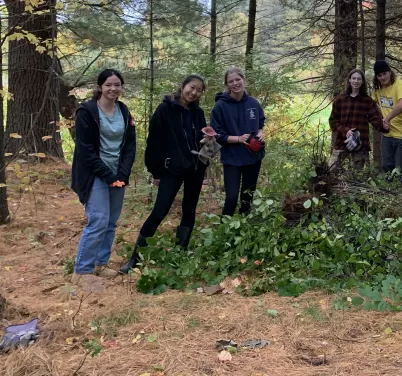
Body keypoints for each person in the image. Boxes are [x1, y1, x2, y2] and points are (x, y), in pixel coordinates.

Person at [120, 74, 211, 274]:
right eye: (191, 87)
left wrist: (206, 141)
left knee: (189, 210)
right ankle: (135, 258)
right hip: (172, 169)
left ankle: (180, 253)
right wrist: (155, 170)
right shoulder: (164, 110)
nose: (194, 92)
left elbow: (200, 137)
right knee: (159, 211)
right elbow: (154, 142)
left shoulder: (198, 113)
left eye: (199, 90)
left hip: (195, 169)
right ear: (183, 85)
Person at [71, 69, 136, 284]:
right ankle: (82, 271)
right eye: (108, 85)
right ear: (100, 87)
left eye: (117, 85)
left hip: (118, 173)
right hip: (94, 174)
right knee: (98, 219)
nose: (113, 89)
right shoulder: (87, 112)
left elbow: (130, 145)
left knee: (110, 222)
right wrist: (108, 175)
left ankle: (101, 263)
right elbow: (85, 150)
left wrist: (123, 174)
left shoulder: (124, 111)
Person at [210, 67, 266, 216]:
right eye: (231, 81)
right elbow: (217, 134)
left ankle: (243, 224)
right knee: (232, 198)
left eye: (238, 79)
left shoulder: (253, 103)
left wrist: (260, 133)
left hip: (253, 156)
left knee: (247, 196)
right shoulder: (220, 106)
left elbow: (260, 123)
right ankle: (224, 226)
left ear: (243, 80)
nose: (235, 83)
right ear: (226, 85)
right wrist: (239, 139)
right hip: (232, 158)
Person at [329, 68, 388, 170]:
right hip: (341, 142)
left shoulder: (368, 101)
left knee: (357, 174)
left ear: (362, 82)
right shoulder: (340, 100)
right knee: (332, 169)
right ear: (349, 80)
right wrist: (345, 131)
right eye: (354, 78)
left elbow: (375, 120)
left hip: (361, 144)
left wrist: (384, 127)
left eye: (359, 79)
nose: (356, 81)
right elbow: (333, 121)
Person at [372, 60, 402, 178]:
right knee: (387, 168)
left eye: (385, 73)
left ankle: (401, 189)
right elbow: (372, 104)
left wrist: (387, 118)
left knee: (400, 170)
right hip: (387, 135)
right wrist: (381, 120)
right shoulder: (378, 88)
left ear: (390, 72)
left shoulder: (399, 84)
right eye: (379, 75)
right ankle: (389, 189)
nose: (383, 77)